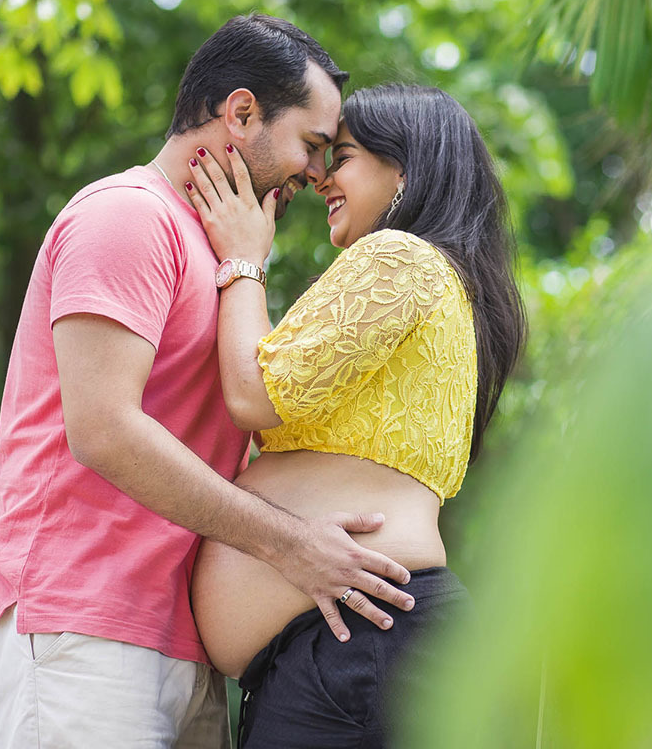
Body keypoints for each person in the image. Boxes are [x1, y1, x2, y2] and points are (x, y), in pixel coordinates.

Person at [0, 15, 416, 749]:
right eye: (310, 145)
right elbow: (104, 429)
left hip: (183, 644)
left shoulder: (229, 261)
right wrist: (292, 545)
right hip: (84, 625)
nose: (317, 173)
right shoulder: (127, 216)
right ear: (240, 114)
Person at [184, 83, 527, 747]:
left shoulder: (398, 256)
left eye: (340, 157)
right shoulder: (444, 287)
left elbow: (254, 393)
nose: (320, 179)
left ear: (403, 169)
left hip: (360, 646)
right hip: (357, 648)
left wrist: (243, 262)